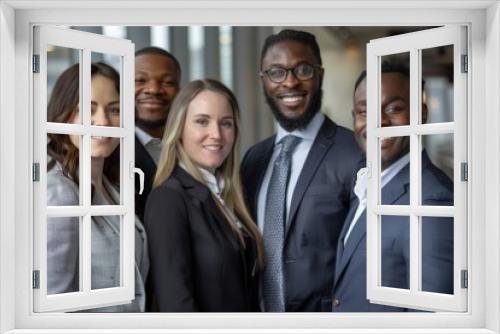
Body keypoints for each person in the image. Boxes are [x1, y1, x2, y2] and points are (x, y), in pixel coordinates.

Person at [240, 29, 362, 312]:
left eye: (303, 69)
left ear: (320, 74)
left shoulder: (354, 153)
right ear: (264, 81)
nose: (290, 81)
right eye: (276, 72)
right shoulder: (254, 159)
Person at [331, 62, 454, 312]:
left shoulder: (431, 200)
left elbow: (430, 318)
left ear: (421, 113)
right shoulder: (365, 187)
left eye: (393, 108)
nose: (378, 122)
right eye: (364, 112)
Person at [144, 79, 265, 312]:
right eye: (202, 121)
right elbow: (176, 305)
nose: (216, 134)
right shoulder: (168, 199)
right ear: (179, 129)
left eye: (226, 123)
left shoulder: (228, 196)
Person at [46, 62, 149, 312]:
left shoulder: (112, 187)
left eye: (114, 109)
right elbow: (53, 304)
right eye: (88, 109)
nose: (103, 121)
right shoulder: (59, 192)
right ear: (65, 114)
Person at [134, 47, 181, 222]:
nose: (153, 89)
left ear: (180, 92)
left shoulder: (197, 147)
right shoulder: (111, 151)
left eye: (167, 82)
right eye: (140, 80)